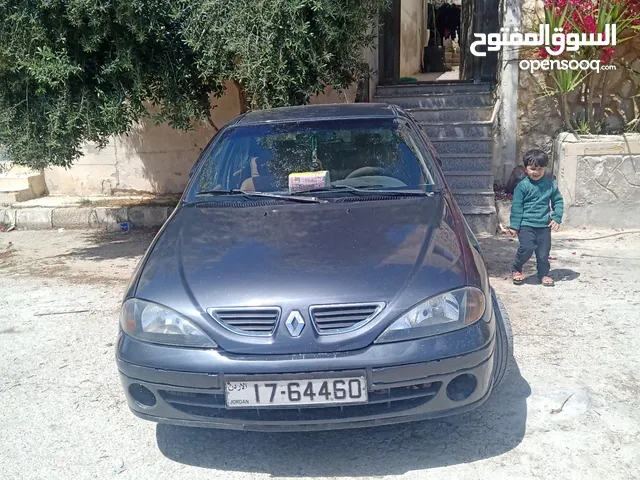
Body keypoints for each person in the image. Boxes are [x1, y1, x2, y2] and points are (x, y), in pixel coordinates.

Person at [509, 149, 564, 286]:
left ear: (545, 168)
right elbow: (517, 206)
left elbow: (558, 201)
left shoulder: (550, 185)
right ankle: (517, 268)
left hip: (544, 226)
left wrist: (556, 217)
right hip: (526, 224)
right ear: (525, 168)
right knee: (527, 248)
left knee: (543, 253)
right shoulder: (522, 187)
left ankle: (543, 274)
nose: (536, 172)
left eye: (540, 169)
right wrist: (514, 226)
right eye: (532, 168)